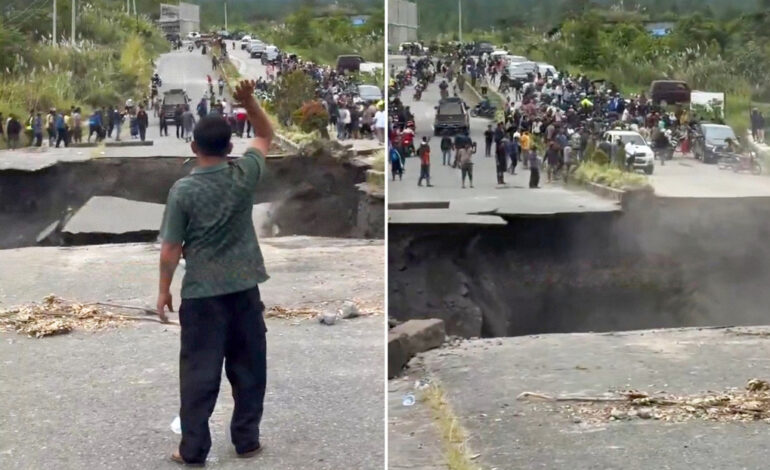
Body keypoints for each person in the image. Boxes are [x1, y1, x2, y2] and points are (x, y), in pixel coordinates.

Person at [157, 79, 273, 467]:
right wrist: (249, 102)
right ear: (229, 147)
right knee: (249, 369)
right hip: (244, 289)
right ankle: (247, 441)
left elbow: (171, 249)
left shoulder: (183, 191)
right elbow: (265, 133)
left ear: (193, 148)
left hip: (202, 296)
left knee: (199, 375)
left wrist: (163, 291)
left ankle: (192, 451)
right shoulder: (244, 176)